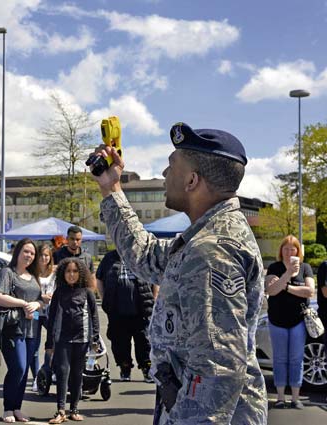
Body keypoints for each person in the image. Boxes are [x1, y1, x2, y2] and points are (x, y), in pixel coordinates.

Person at [90, 122, 267, 423]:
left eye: (171, 165)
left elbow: (218, 368)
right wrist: (111, 187)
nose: (164, 174)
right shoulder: (203, 238)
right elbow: (145, 256)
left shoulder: (212, 250)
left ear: (191, 180)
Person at [0, 238, 42, 423]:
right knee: (18, 368)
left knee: (24, 371)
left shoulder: (33, 276)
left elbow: (39, 300)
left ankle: (17, 408)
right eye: (26, 251)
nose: (29, 256)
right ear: (18, 252)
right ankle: (7, 408)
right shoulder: (7, 273)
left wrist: (37, 304)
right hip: (12, 329)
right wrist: (23, 304)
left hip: (32, 330)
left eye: (32, 253)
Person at [45, 258, 99, 423]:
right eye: (68, 271)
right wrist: (49, 343)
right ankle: (60, 410)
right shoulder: (59, 292)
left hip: (82, 340)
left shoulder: (87, 292)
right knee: (63, 373)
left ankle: (74, 409)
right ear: (63, 273)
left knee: (77, 375)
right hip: (62, 340)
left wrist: (94, 339)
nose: (71, 274)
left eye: (75, 271)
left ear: (80, 273)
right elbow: (52, 318)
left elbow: (94, 316)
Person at [264, 235, 314, 409]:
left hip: (298, 321)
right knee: (279, 359)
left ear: (298, 251)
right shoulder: (274, 267)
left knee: (296, 359)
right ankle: (280, 398)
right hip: (277, 320)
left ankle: (295, 398)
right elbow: (271, 290)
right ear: (281, 251)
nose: (289, 252)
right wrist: (288, 274)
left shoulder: (305, 268)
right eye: (286, 249)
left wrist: (286, 286)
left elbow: (309, 292)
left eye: (293, 249)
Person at [96, 249, 153, 382]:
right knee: (119, 342)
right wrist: (105, 300)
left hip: (141, 309)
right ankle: (124, 368)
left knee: (144, 341)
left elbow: (154, 278)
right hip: (117, 311)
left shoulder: (142, 255)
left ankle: (147, 368)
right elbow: (99, 279)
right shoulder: (109, 258)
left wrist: (153, 298)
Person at [31, 243, 55, 393]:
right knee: (34, 344)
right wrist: (41, 297)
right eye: (41, 255)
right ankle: (35, 378)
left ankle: (47, 371)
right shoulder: (32, 273)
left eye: (47, 255)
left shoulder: (55, 272)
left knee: (52, 341)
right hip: (36, 312)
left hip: (51, 311)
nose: (44, 258)